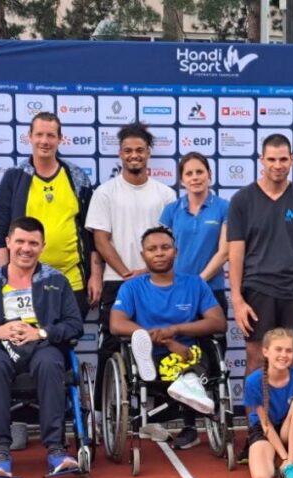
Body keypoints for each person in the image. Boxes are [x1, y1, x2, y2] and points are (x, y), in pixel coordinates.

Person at [227, 134, 293, 461]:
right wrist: (237, 300)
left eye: (283, 159)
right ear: (261, 160)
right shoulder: (242, 200)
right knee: (256, 362)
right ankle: (255, 435)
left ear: (292, 160)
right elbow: (235, 253)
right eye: (272, 159)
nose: (278, 165)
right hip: (258, 291)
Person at [0, 217, 84, 478]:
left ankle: (56, 450)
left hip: (42, 345)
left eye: (33, 243)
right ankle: (1, 453)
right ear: (8, 243)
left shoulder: (57, 280)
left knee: (51, 363)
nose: (26, 248)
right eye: (20, 241)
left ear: (42, 246)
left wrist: (41, 332)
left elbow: (75, 325)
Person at [85, 122, 175, 440]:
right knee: (110, 348)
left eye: (139, 150)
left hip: (156, 282)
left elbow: (167, 241)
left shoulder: (166, 194)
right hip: (117, 281)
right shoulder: (105, 192)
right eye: (127, 151)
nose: (133, 156)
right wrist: (126, 273)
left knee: (156, 344)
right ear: (120, 154)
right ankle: (101, 417)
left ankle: (152, 415)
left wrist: (149, 272)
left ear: (149, 153)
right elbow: (101, 239)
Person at [0, 112, 102, 317]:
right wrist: (4, 278)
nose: (44, 141)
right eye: (39, 134)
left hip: (72, 280)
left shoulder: (76, 176)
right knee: (28, 343)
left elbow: (91, 232)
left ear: (60, 139)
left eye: (51, 136)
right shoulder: (14, 177)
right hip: (24, 281)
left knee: (66, 341)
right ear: (29, 137)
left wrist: (95, 275)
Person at [109, 226, 227, 420]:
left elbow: (218, 322)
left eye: (165, 247)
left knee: (203, 355)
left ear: (176, 251)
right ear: (143, 255)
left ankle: (189, 380)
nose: (159, 253)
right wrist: (166, 340)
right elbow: (116, 323)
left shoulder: (195, 283)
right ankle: (188, 383)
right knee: (148, 358)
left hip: (188, 353)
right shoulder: (131, 287)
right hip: (148, 354)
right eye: (152, 249)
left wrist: (175, 329)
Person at [158, 152, 230, 449]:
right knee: (184, 357)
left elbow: (224, 251)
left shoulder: (224, 207)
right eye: (189, 173)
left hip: (210, 291)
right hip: (178, 294)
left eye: (200, 172)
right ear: (181, 179)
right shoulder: (171, 211)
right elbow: (162, 251)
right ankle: (189, 426)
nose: (195, 177)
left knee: (214, 357)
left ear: (209, 175)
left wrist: (197, 282)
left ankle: (215, 415)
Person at [243, 328, 293, 478]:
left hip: (287, 429)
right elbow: (265, 425)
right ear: (266, 351)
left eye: (289, 350)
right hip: (265, 429)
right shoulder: (253, 381)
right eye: (278, 349)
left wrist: (289, 462)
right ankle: (277, 458)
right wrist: (284, 456)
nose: (284, 355)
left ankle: (291, 467)